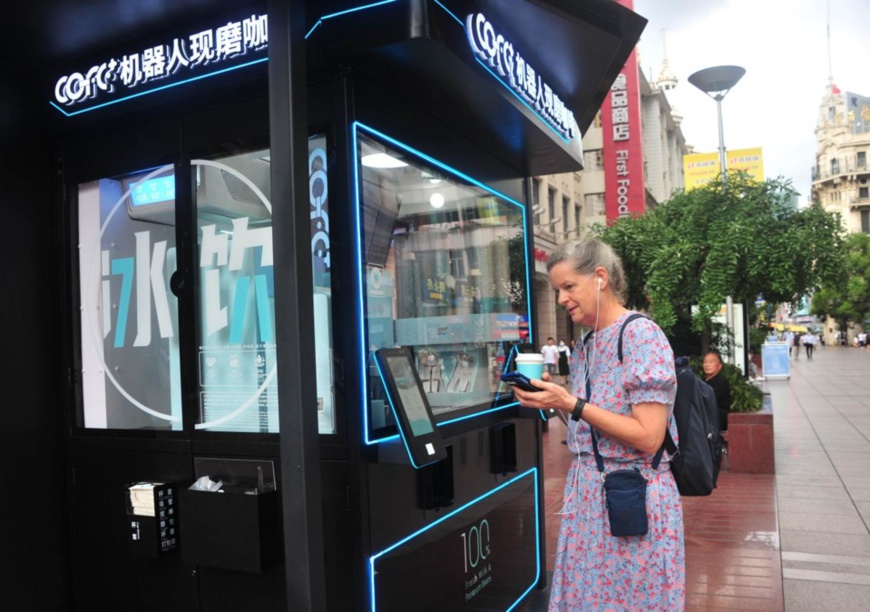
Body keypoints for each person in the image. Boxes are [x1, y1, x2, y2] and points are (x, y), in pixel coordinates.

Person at [511, 238, 683, 610]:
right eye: (558, 289)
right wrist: (552, 399)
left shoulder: (640, 335)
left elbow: (649, 437)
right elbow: (590, 424)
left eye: (569, 287)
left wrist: (569, 401)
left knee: (631, 600)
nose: (560, 299)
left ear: (600, 278)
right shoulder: (588, 342)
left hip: (631, 497)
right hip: (590, 496)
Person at [702, 351, 732, 432]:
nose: (707, 365)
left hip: (716, 421)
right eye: (705, 362)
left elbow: (708, 402)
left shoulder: (721, 382)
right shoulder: (702, 381)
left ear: (719, 366)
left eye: (711, 362)